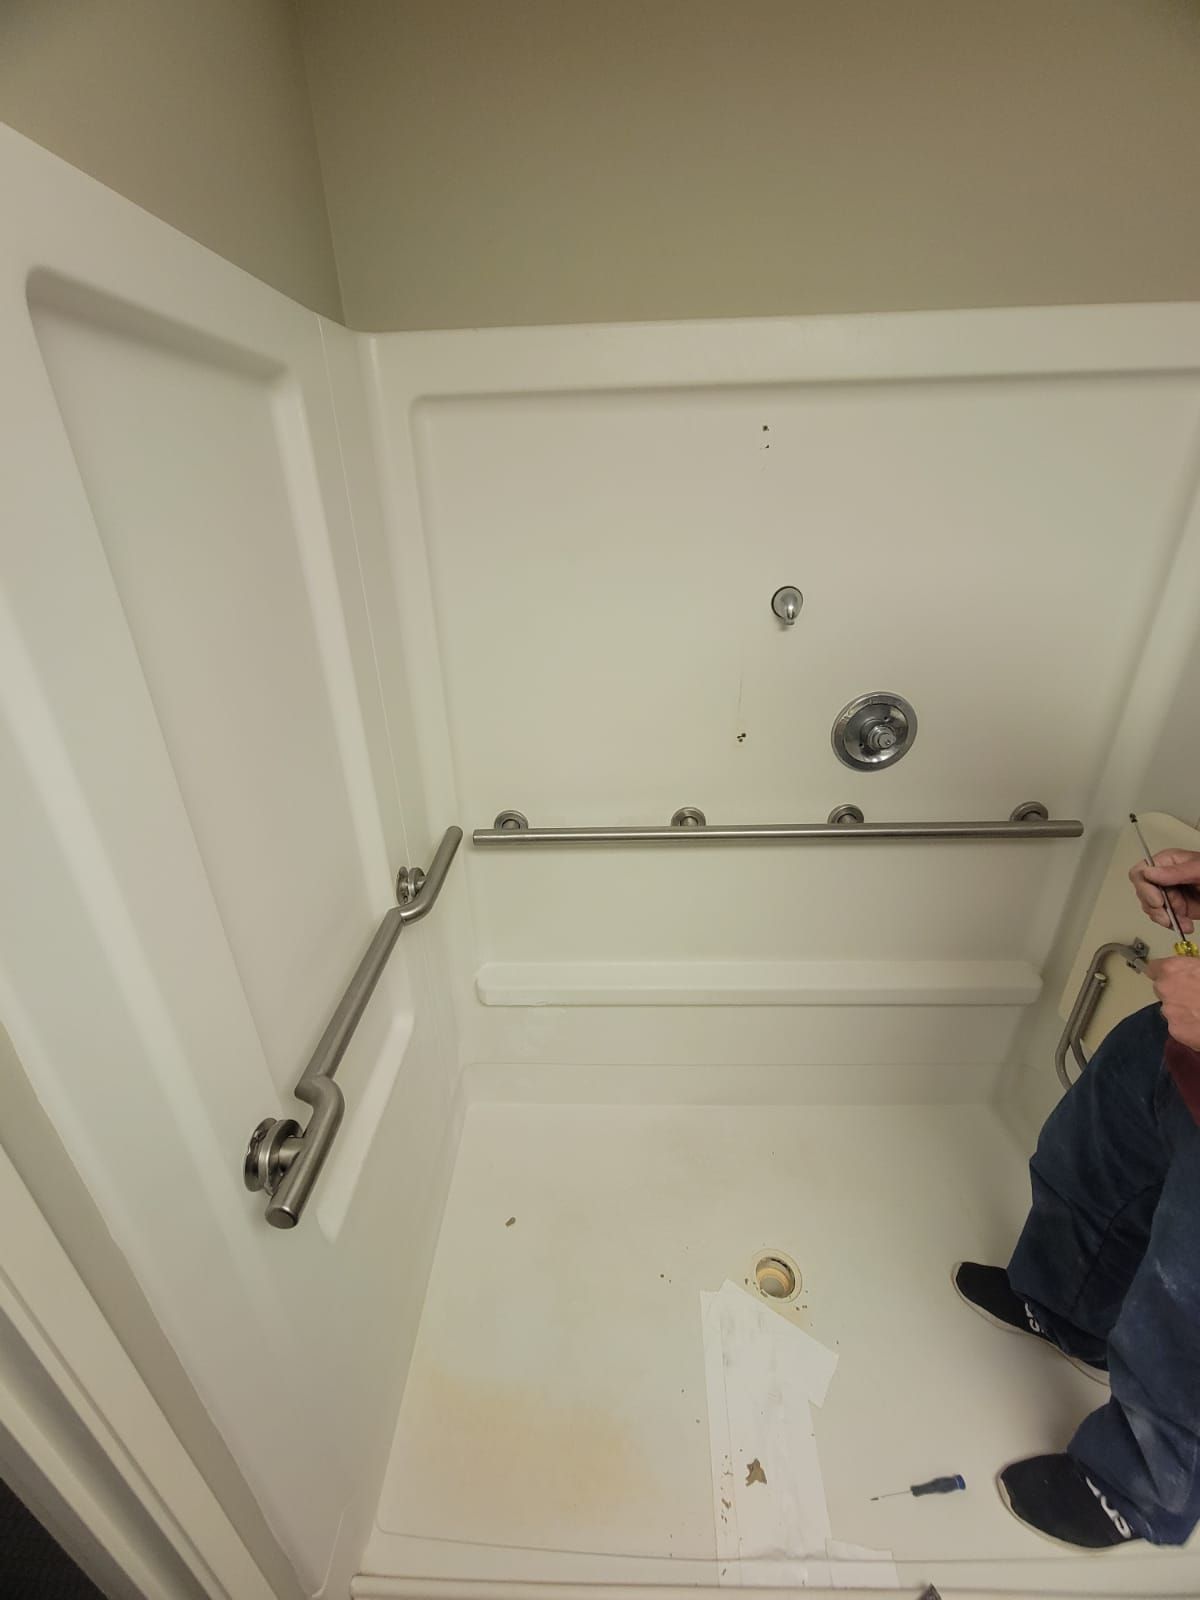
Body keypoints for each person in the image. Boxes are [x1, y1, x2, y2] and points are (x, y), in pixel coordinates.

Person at [953, 846, 1200, 1550]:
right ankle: (1065, 1307)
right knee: (1091, 1154)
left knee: (1189, 1313)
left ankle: (1139, 1491)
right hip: (1184, 1053)